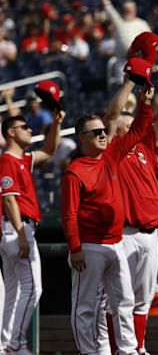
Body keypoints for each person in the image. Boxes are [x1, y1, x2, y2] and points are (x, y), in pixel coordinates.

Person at [61, 72, 155, 355]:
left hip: (116, 243)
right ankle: (89, 352)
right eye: (96, 132)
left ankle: (127, 350)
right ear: (81, 138)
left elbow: (138, 131)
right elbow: (69, 214)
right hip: (88, 246)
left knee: (124, 301)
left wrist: (145, 105)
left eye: (104, 131)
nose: (103, 134)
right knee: (86, 306)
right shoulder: (74, 171)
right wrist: (75, 248)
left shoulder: (111, 155)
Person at [95, 69, 158, 354]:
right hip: (125, 233)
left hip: (151, 234)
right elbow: (111, 116)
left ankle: (137, 348)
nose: (138, 129)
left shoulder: (146, 148)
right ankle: (116, 349)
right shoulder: (111, 152)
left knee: (143, 299)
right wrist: (128, 84)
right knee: (116, 298)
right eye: (130, 125)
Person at [0, 106, 64, 353]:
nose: (30, 130)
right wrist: (20, 233)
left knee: (14, 292)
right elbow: (8, 199)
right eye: (25, 127)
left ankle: (6, 344)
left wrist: (57, 124)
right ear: (11, 132)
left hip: (14, 229)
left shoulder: (23, 158)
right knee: (33, 288)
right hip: (18, 227)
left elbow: (49, 150)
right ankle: (17, 345)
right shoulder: (7, 160)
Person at [97, 0, 152, 64]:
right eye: (125, 9)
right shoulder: (118, 21)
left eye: (130, 9)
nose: (128, 11)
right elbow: (109, 8)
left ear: (135, 10)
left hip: (139, 61)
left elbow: (150, 41)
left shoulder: (142, 23)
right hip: (122, 61)